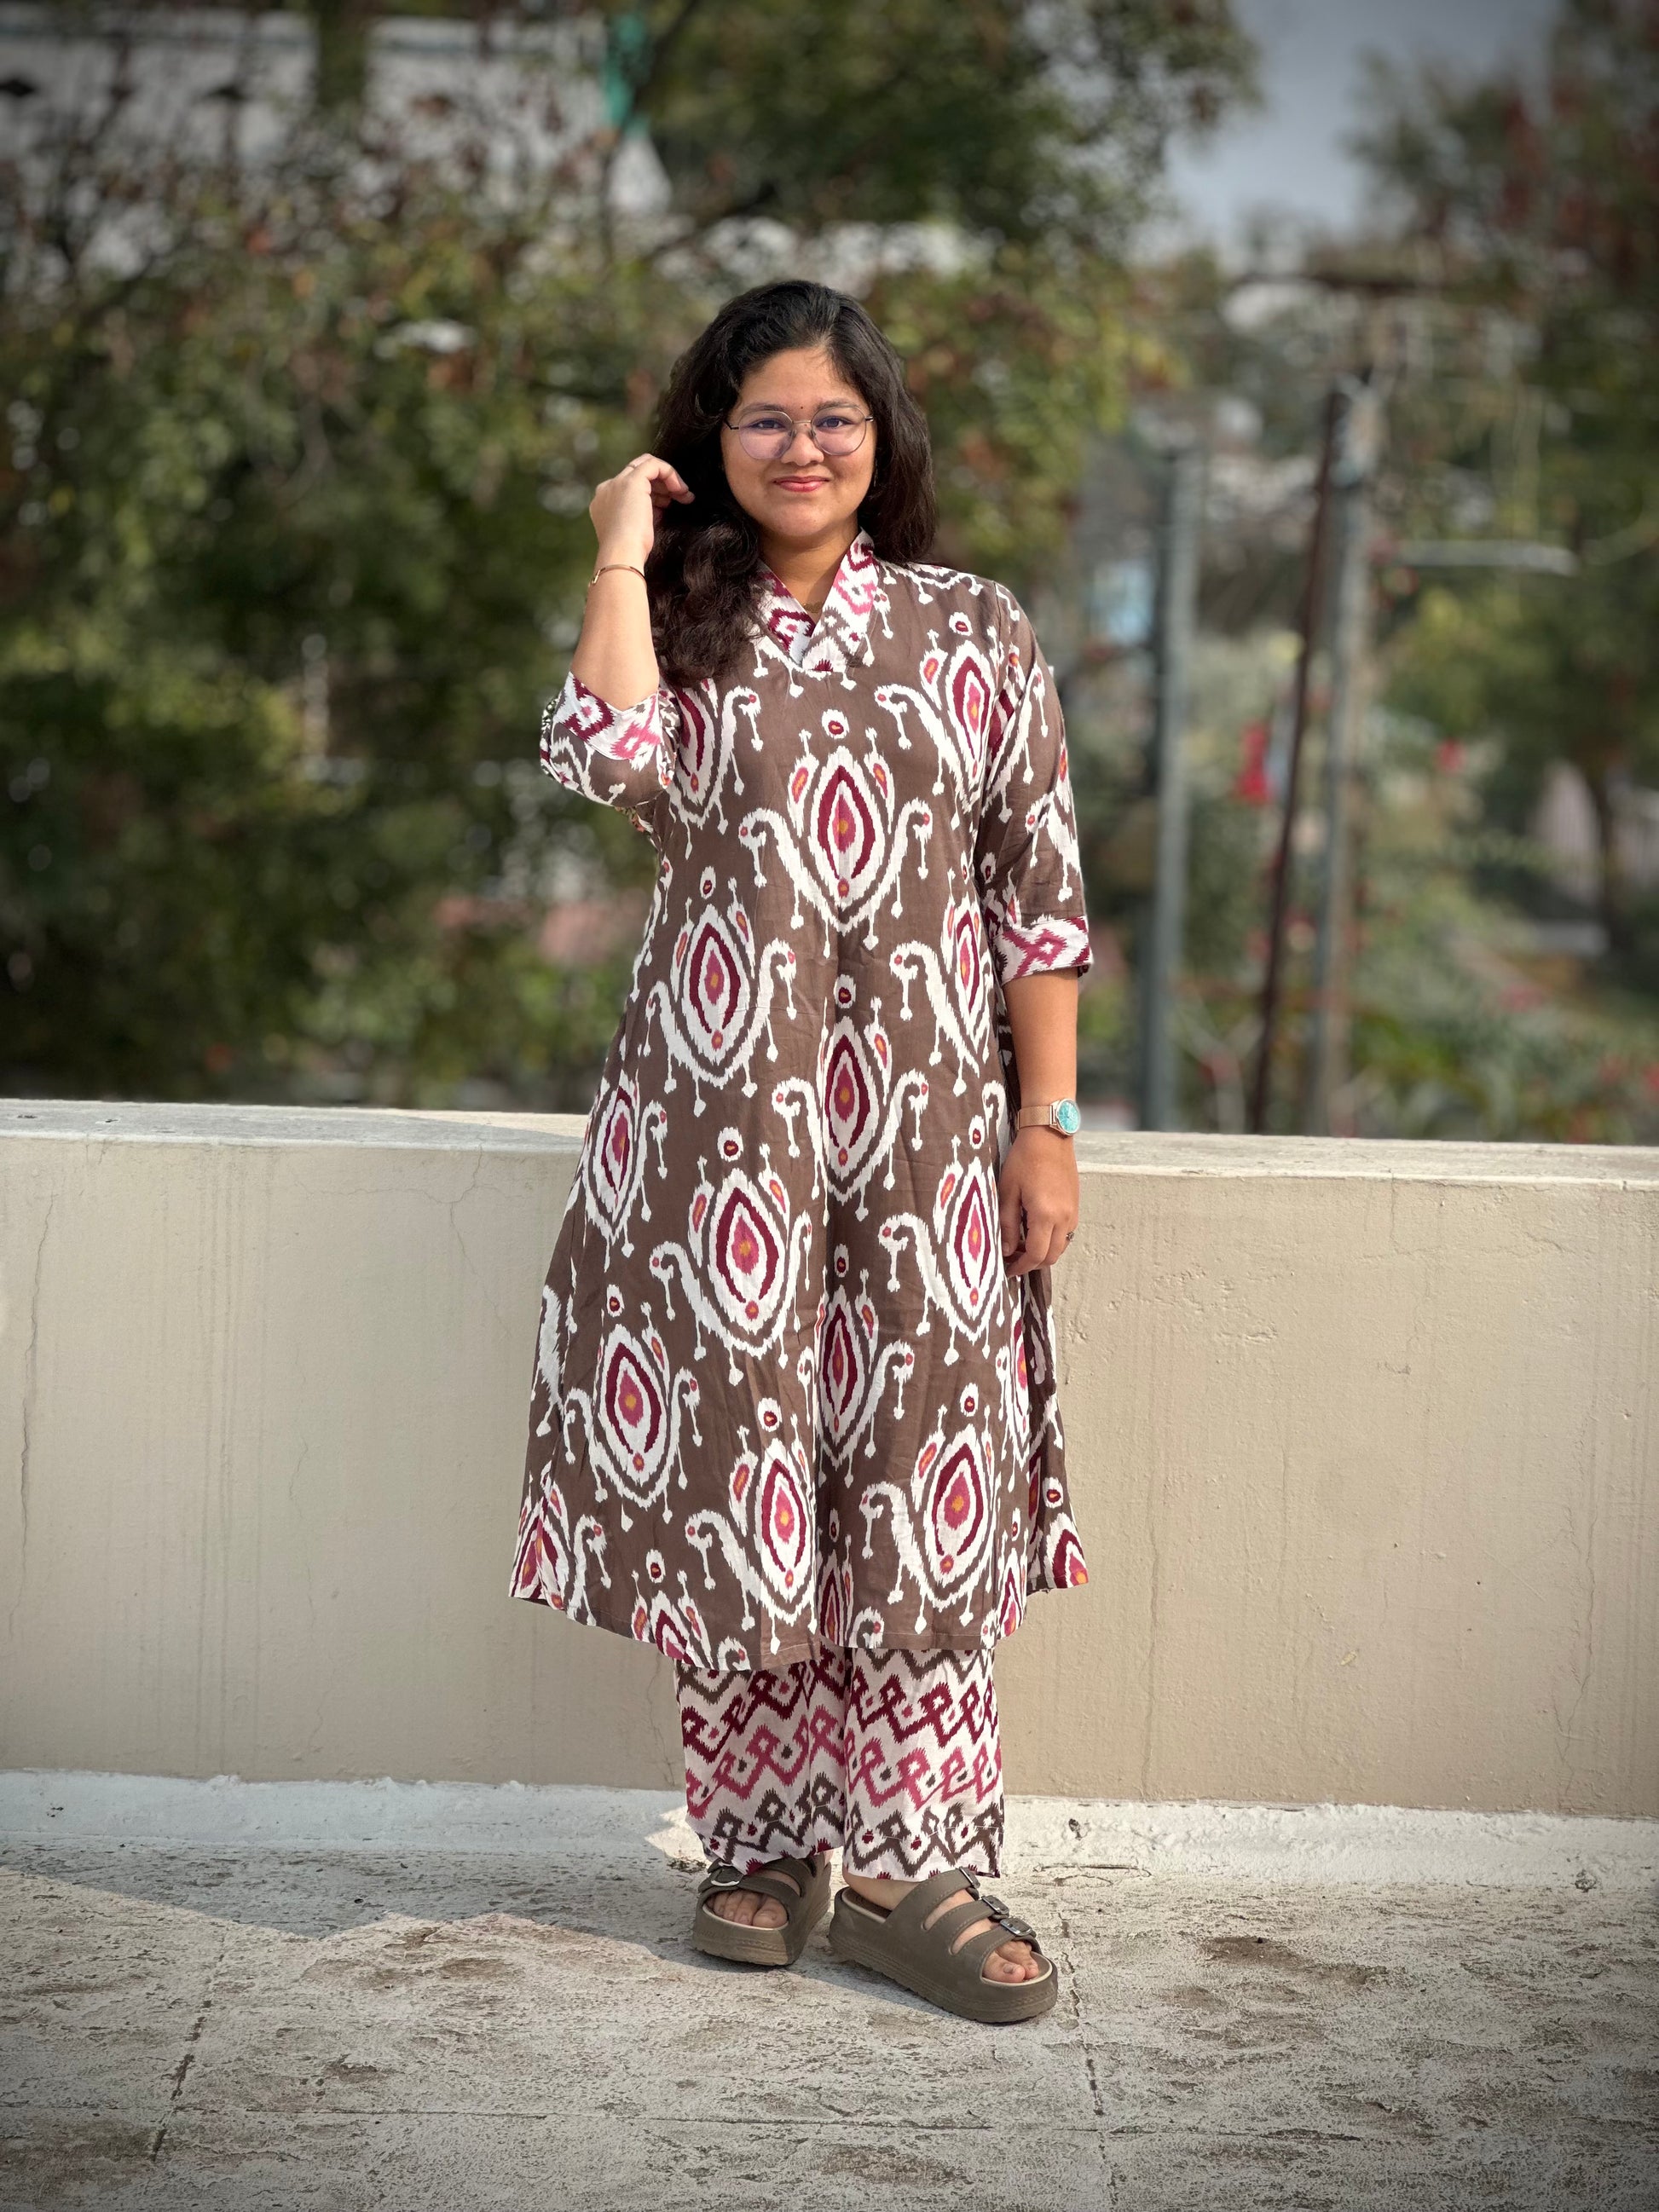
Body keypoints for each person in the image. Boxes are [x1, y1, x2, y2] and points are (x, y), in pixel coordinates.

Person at [511, 279, 1090, 2024]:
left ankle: (910, 1865)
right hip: (716, 1138)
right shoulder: (679, 622)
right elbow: (600, 753)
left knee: (917, 1475)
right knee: (744, 1471)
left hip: (927, 1137)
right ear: (713, 438)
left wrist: (1047, 1124)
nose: (801, 446)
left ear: (878, 434)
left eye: (832, 415)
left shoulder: (972, 627)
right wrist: (621, 547)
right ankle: (760, 1841)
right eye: (761, 416)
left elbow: (1037, 897)